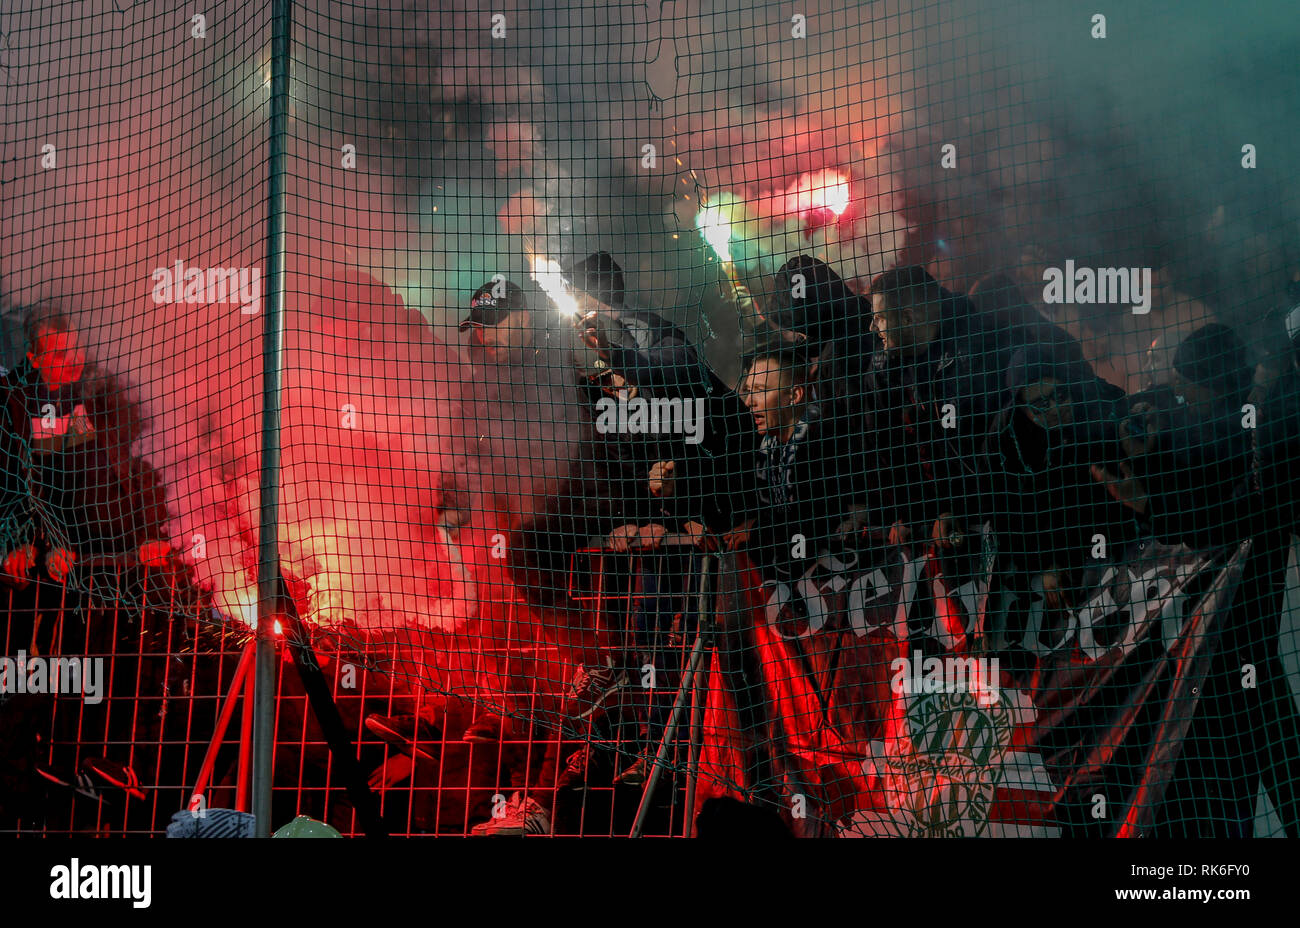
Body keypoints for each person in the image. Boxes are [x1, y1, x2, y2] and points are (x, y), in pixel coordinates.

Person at [0, 308, 170, 586]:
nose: (74, 360)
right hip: (65, 562)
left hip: (128, 553)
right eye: (59, 354)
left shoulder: (106, 388)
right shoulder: (15, 404)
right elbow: (18, 484)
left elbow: (147, 457)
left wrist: (152, 533)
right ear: (35, 359)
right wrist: (34, 541)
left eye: (76, 348)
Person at [864, 265, 1003, 547]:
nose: (872, 327)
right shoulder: (884, 365)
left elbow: (985, 447)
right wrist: (913, 514)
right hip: (940, 518)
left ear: (909, 316)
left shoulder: (975, 351)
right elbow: (889, 446)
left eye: (879, 318)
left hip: (993, 516)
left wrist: (955, 509)